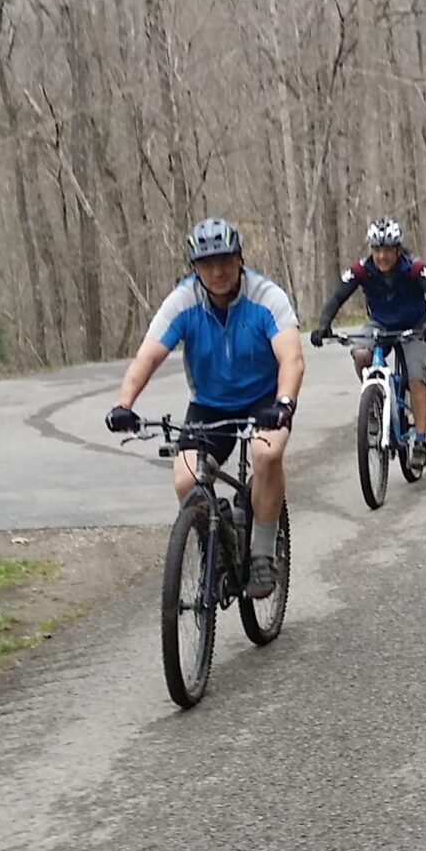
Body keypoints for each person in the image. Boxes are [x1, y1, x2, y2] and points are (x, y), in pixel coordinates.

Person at [106, 218, 305, 598]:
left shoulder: (266, 297)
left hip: (265, 401)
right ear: (194, 268)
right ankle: (219, 534)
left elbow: (292, 359)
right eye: (207, 264)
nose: (217, 271)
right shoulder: (183, 301)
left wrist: (284, 402)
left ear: (240, 259)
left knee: (266, 454)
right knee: (186, 480)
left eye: (226, 261)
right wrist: (123, 404)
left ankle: (262, 553)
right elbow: (147, 356)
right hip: (209, 406)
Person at [308, 218, 426, 465]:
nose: (381, 256)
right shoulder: (362, 269)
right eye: (376, 249)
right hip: (380, 325)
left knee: (417, 378)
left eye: (387, 250)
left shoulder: (413, 267)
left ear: (397, 249)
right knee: (361, 353)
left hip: (414, 327)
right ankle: (373, 404)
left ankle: (421, 441)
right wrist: (323, 325)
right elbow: (337, 296)